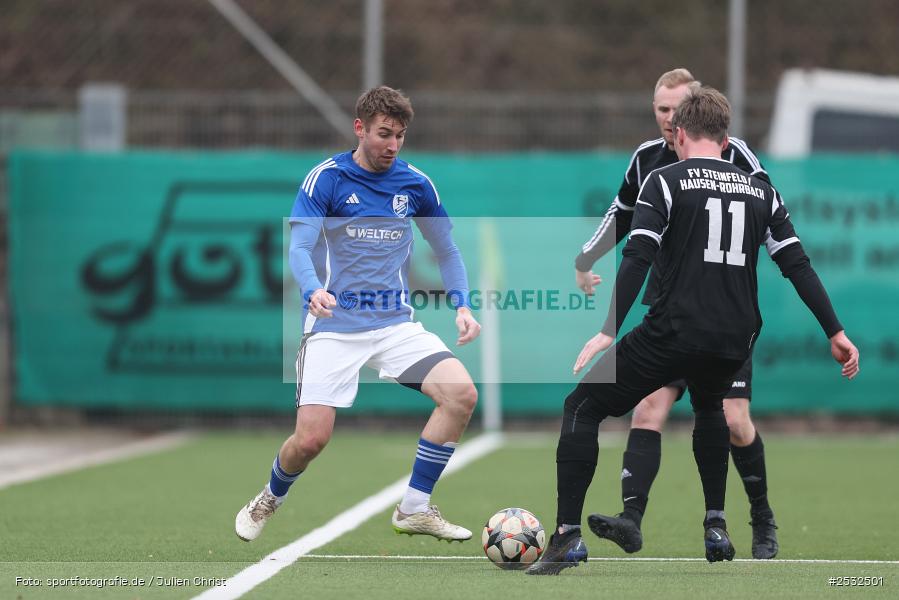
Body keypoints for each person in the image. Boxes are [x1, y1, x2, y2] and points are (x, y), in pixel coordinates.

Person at [526, 86, 859, 575]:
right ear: (726, 142)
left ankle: (566, 539)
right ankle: (716, 525)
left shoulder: (663, 180)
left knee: (582, 406)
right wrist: (835, 331)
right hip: (735, 337)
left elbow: (637, 255)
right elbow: (795, 262)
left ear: (679, 134)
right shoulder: (761, 189)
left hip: (674, 329)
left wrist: (607, 330)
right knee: (710, 410)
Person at [235, 86, 481, 544]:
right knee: (310, 441)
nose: (392, 145)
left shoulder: (416, 184)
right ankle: (271, 494)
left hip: (394, 324)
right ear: (360, 128)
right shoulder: (325, 179)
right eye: (384, 134)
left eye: (400, 136)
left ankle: (414, 507)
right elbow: (300, 245)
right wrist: (312, 291)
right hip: (334, 326)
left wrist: (462, 304)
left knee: (461, 396)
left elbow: (446, 248)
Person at [575, 68, 781, 560]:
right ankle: (631, 519)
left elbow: (770, 213)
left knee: (733, 419)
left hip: (721, 314)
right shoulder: (649, 159)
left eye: (676, 110)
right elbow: (619, 215)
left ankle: (761, 517)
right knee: (648, 409)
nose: (668, 119)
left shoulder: (738, 156)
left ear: (695, 111)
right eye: (660, 110)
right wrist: (586, 258)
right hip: (667, 312)